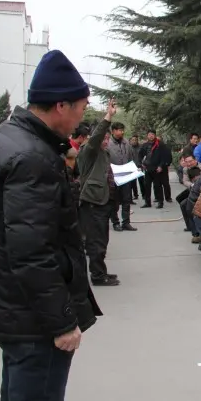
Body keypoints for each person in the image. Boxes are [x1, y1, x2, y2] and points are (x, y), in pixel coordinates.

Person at [0, 49, 102, 401]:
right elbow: (32, 252)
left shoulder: (7, 138)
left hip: (14, 307)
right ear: (61, 105)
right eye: (81, 108)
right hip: (34, 320)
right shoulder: (33, 157)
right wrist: (61, 323)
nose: (81, 118)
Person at [77, 101, 122, 287]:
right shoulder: (89, 151)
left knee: (102, 239)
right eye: (103, 138)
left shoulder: (104, 153)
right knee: (95, 241)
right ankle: (97, 276)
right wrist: (108, 117)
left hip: (104, 202)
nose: (105, 141)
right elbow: (96, 138)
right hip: (92, 202)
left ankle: (101, 271)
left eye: (107, 139)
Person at [106, 121, 137, 232]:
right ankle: (115, 222)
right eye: (120, 130)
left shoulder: (126, 142)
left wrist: (133, 169)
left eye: (123, 130)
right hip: (113, 177)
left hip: (126, 175)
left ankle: (126, 222)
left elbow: (131, 157)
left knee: (126, 200)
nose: (122, 132)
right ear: (113, 131)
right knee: (114, 201)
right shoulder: (108, 143)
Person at [139, 130, 170, 209]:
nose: (151, 136)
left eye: (152, 134)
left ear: (155, 135)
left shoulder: (160, 144)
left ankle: (160, 202)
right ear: (147, 136)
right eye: (149, 134)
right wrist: (141, 164)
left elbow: (164, 156)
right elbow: (140, 155)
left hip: (157, 168)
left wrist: (161, 166)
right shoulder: (144, 145)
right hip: (147, 168)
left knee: (158, 186)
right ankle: (147, 202)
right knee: (147, 186)